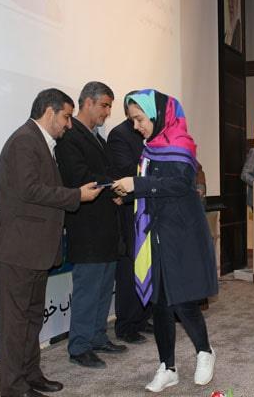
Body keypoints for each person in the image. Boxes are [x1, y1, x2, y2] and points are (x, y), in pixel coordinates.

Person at [0, 88, 102, 397]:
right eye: (66, 117)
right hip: (17, 250)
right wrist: (76, 195)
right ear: (49, 112)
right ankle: (14, 388)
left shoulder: (40, 142)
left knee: (31, 318)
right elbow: (30, 190)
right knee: (15, 323)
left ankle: (30, 375)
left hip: (33, 250)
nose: (69, 124)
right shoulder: (24, 141)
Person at [112, 89, 218, 392]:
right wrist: (128, 194)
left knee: (183, 300)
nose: (136, 126)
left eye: (140, 119)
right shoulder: (151, 148)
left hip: (181, 234)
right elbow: (153, 189)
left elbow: (179, 183)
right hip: (154, 234)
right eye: (133, 120)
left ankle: (205, 351)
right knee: (158, 303)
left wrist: (137, 183)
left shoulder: (180, 144)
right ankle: (167, 367)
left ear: (157, 115)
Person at [55, 81, 127, 370]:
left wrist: (117, 188)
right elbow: (79, 176)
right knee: (88, 289)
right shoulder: (70, 137)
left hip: (106, 227)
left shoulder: (98, 138)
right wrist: (115, 187)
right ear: (87, 102)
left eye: (109, 106)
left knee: (103, 287)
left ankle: (98, 336)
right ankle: (80, 346)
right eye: (104, 105)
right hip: (86, 228)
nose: (108, 112)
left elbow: (107, 173)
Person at [106, 93, 153, 345]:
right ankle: (126, 325)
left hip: (149, 207)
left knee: (147, 266)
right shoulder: (120, 135)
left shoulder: (152, 132)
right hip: (130, 211)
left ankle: (142, 318)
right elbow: (126, 171)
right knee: (129, 270)